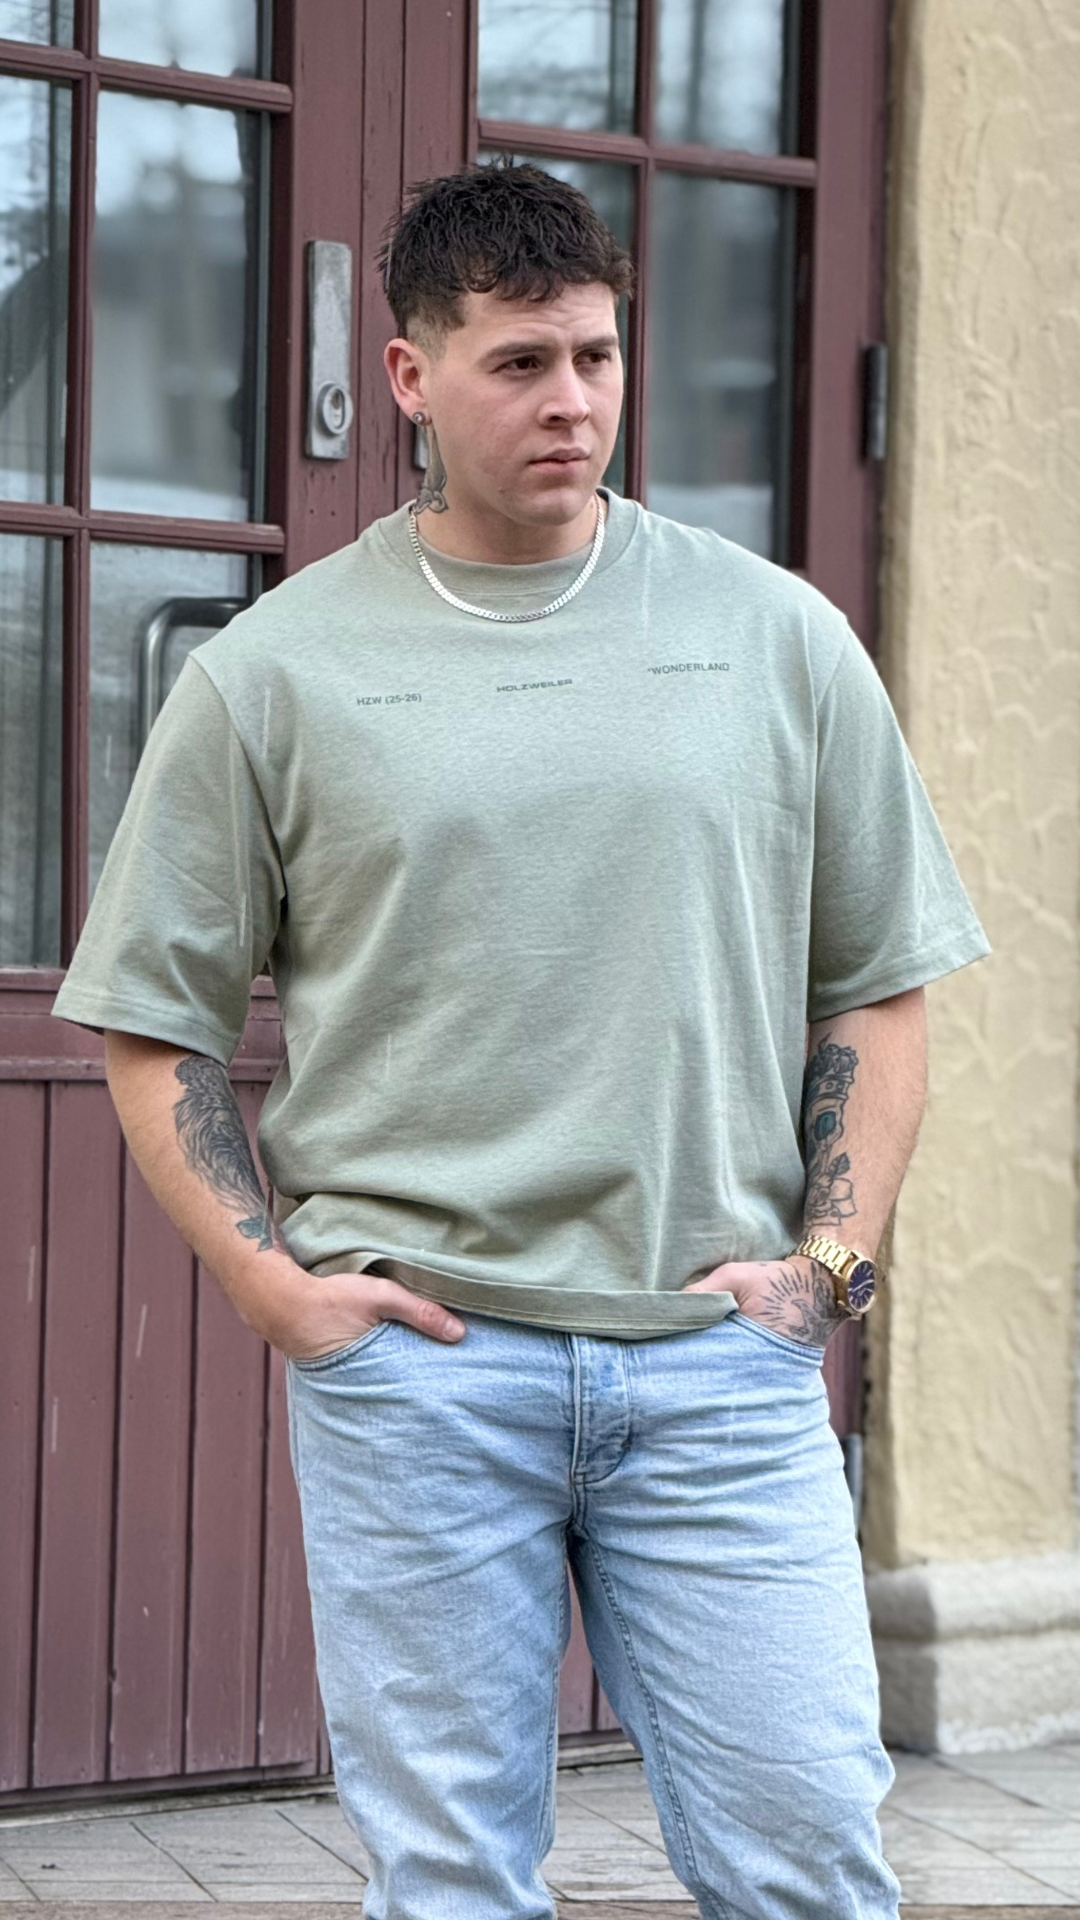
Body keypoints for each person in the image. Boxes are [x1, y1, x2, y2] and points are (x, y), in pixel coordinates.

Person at [52, 160, 990, 1920]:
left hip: (717, 1371)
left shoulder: (776, 637)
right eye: (520, 363)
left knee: (809, 1861)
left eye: (597, 356)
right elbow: (154, 1027)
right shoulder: (275, 672)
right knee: (453, 1887)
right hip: (425, 1372)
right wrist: (272, 1291)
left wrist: (830, 1269)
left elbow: (878, 983)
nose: (572, 401)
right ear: (410, 378)